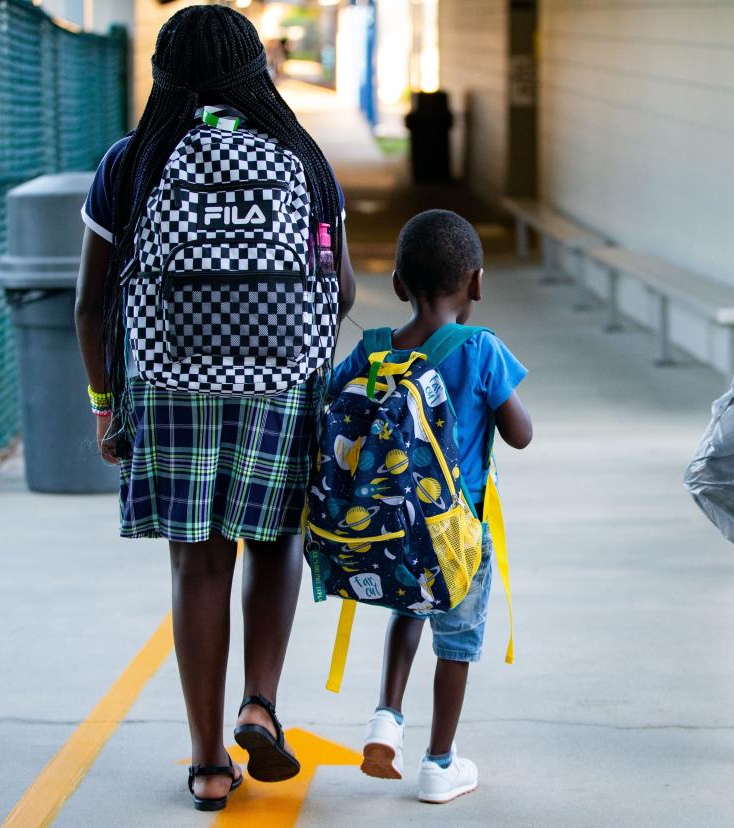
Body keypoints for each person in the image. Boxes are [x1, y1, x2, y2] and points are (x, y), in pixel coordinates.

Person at [73, 4, 355, 812]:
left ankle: (206, 763)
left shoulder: (132, 163)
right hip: (280, 382)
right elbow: (336, 291)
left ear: (164, 73)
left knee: (198, 560)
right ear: (254, 69)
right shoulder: (303, 159)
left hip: (169, 386)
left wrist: (105, 402)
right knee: (278, 538)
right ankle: (259, 702)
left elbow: (90, 304)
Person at [326, 209, 533, 804]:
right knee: (457, 644)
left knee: (407, 608)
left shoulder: (372, 350)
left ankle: (386, 717)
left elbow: (330, 405)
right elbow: (520, 434)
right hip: (454, 534)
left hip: (390, 531)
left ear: (395, 285)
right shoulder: (482, 350)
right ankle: (440, 763)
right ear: (477, 282)